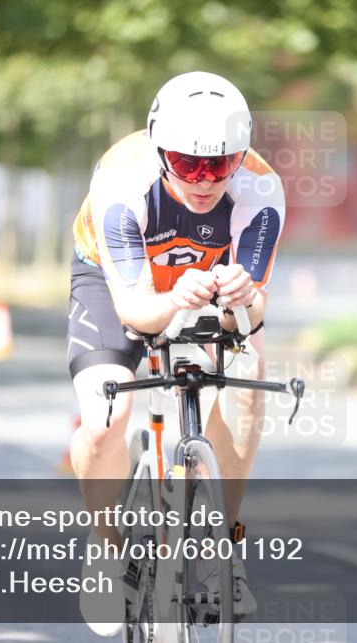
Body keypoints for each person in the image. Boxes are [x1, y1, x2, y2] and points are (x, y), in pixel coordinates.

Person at [66, 71, 285, 636]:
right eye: (189, 164)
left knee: (251, 370)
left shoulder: (261, 187)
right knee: (104, 415)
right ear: (161, 149)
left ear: (242, 155)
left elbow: (254, 316)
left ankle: (224, 551)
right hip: (121, 282)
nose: (206, 179)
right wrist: (170, 300)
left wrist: (243, 296)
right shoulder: (121, 182)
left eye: (221, 163)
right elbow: (137, 313)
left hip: (205, 283)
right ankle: (106, 543)